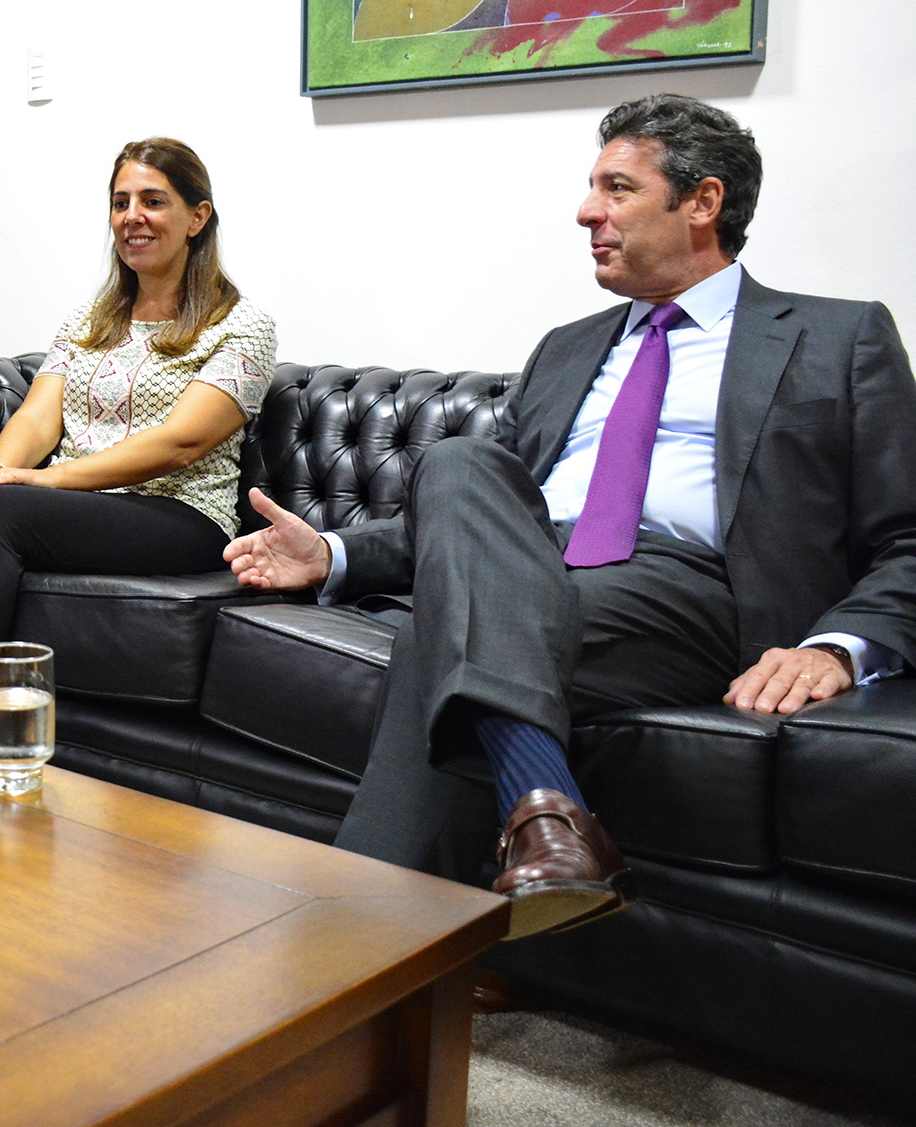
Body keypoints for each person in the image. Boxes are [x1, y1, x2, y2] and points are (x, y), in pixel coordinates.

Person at [225, 95, 916, 939]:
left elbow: (908, 536)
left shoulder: (838, 337)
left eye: (617, 188)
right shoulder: (568, 346)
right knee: (460, 463)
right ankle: (542, 828)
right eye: (593, 188)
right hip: (529, 568)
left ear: (703, 202)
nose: (587, 211)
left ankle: (356, 937)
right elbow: (469, 520)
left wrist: (837, 647)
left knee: (439, 628)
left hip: (690, 590)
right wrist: (332, 553)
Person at [0, 138, 276, 735]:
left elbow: (182, 441)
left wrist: (37, 482)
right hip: (75, 504)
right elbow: (37, 419)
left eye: (153, 201)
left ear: (197, 217)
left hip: (179, 513)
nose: (133, 217)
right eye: (121, 202)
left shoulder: (242, 325)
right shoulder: (90, 320)